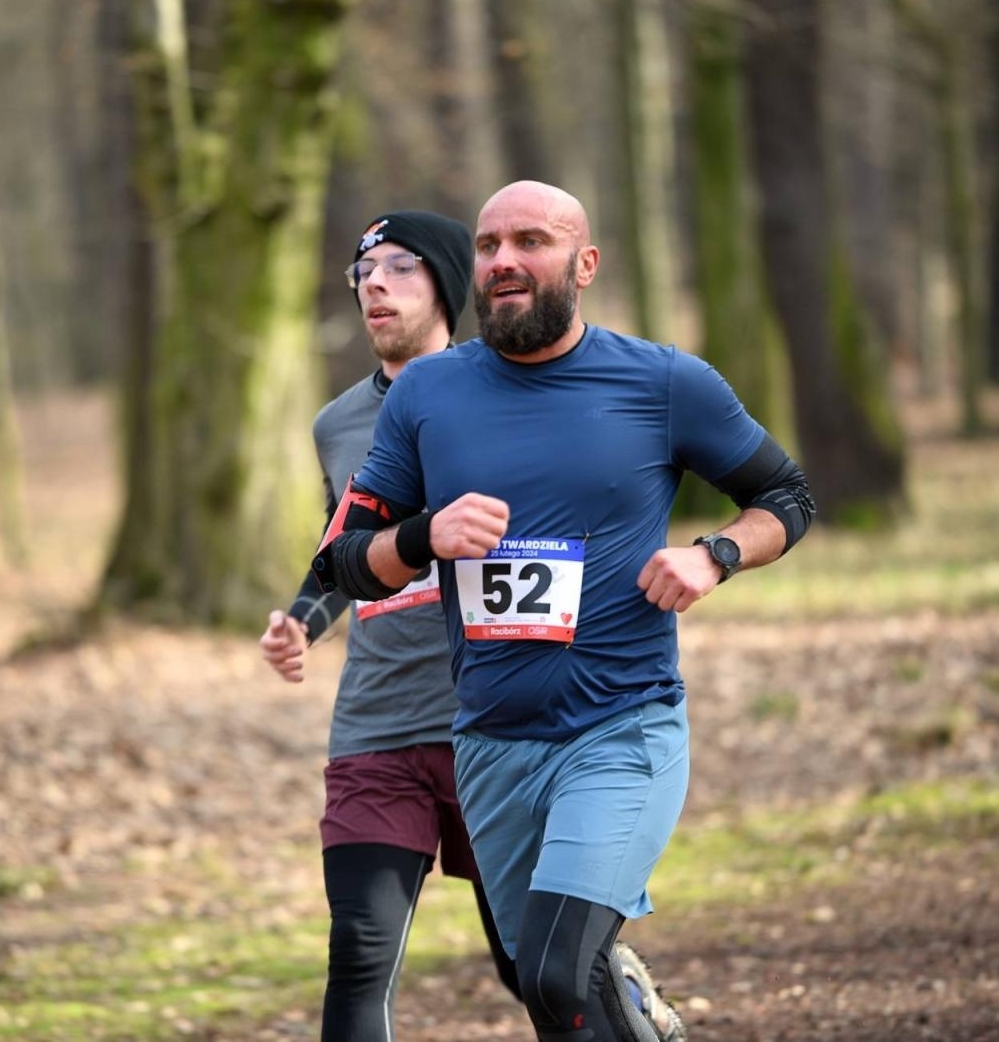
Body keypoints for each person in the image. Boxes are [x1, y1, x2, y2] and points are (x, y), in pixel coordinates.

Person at [313, 181, 817, 1042]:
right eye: (488, 245)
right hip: (490, 744)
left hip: (620, 728)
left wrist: (715, 555)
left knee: (554, 963)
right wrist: (426, 534)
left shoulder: (661, 381)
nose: (504, 261)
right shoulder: (427, 395)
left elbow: (786, 495)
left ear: (583, 264)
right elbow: (345, 562)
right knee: (555, 997)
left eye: (531, 242)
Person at [260, 210, 521, 1041]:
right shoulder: (335, 424)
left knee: (536, 969)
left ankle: (635, 1016)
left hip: (502, 720)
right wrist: (303, 619)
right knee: (361, 957)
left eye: (400, 268)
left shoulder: (515, 389)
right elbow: (345, 546)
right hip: (378, 723)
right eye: (362, 271)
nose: (374, 283)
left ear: (447, 284)